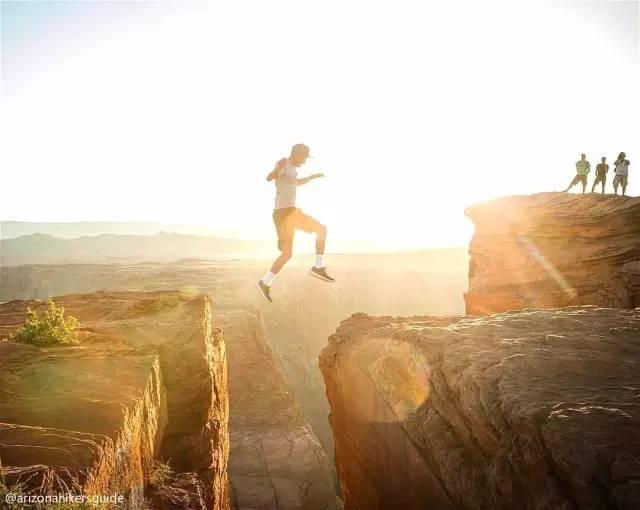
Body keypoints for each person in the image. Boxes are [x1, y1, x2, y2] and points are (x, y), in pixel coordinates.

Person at [256, 143, 335, 303]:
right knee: (321, 229)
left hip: (285, 213)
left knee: (287, 253)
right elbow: (269, 177)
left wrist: (312, 177)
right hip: (286, 213)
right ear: (297, 155)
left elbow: (295, 182)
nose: (304, 162)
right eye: (304, 158)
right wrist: (277, 169)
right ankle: (317, 267)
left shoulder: (292, 170)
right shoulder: (284, 163)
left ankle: (265, 282)